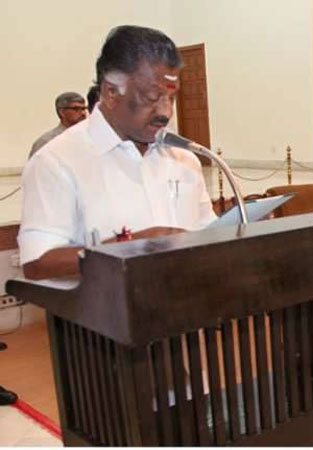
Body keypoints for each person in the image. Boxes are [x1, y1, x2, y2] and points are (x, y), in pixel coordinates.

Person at [19, 25, 217, 280]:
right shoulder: (57, 161)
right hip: (103, 305)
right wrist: (131, 247)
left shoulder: (183, 158)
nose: (166, 112)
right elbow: (37, 263)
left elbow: (207, 231)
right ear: (111, 92)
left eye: (172, 97)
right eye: (152, 97)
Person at [29, 92, 87, 158]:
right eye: (76, 109)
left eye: (83, 109)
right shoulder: (47, 141)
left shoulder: (88, 138)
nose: (83, 113)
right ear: (62, 112)